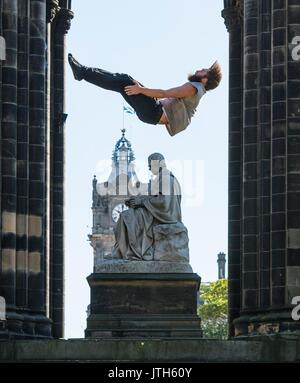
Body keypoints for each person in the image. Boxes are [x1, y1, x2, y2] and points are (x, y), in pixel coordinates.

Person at [68, 54, 222, 137]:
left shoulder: (194, 88)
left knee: (125, 81)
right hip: (154, 111)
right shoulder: (197, 89)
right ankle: (83, 71)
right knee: (124, 80)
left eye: (205, 70)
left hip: (153, 112)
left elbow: (165, 93)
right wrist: (140, 89)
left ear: (205, 79)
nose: (201, 69)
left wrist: (140, 90)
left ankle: (83, 72)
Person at [113, 153, 182, 261]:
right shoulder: (162, 178)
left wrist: (141, 201)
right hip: (159, 213)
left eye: (150, 165)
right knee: (128, 215)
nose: (149, 168)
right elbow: (156, 198)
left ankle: (128, 251)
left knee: (127, 217)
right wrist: (138, 201)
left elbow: (163, 202)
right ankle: (121, 250)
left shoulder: (166, 179)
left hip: (164, 216)